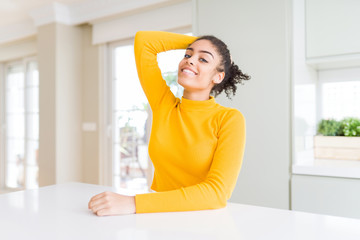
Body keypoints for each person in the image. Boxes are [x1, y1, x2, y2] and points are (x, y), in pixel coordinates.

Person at [88, 31, 250, 216]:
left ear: (218, 77)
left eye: (203, 59)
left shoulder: (229, 119)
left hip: (203, 217)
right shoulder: (164, 105)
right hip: (158, 214)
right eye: (187, 55)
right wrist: (200, 44)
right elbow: (144, 42)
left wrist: (133, 203)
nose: (189, 60)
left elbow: (217, 193)